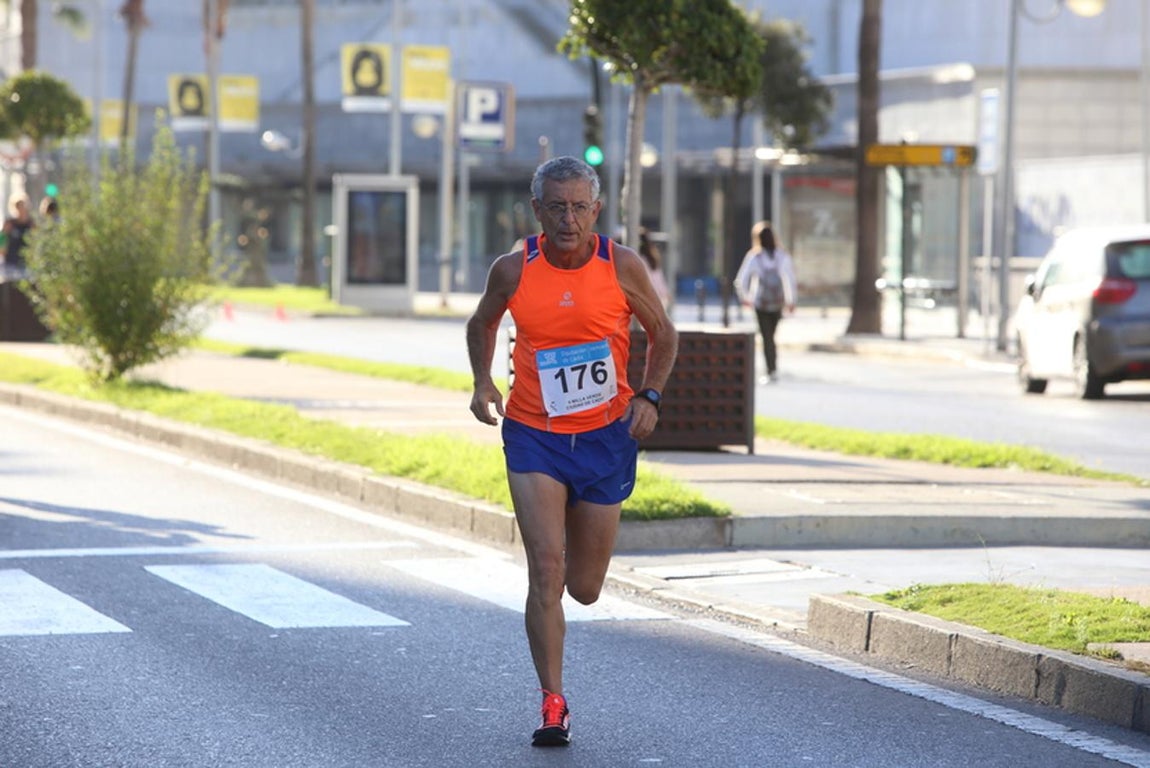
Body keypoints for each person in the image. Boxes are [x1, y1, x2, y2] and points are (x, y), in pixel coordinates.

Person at [466, 155, 678, 748]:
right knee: (547, 572)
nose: (568, 219)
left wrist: (651, 397)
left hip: (606, 437)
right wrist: (484, 381)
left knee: (584, 586)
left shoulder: (621, 265)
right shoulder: (514, 269)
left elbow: (664, 332)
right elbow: (481, 324)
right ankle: (552, 702)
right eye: (555, 207)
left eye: (578, 207)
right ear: (537, 211)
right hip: (535, 435)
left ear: (596, 210)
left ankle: (558, 676)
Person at [734, 220, 797, 383]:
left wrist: (745, 298)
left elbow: (741, 279)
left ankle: (770, 370)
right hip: (777, 302)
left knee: (766, 336)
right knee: (771, 337)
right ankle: (773, 368)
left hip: (760, 303)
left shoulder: (755, 257)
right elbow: (790, 279)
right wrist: (791, 301)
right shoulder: (782, 256)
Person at [1, 193, 35, 279]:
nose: (21, 209)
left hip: (27, 264)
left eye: (23, 206)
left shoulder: (31, 224)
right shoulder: (10, 223)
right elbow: (2, 240)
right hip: (10, 264)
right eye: (18, 206)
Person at [638, 227, 671, 309]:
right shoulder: (652, 257)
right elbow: (659, 278)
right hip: (659, 298)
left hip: (646, 299)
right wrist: (665, 293)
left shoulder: (638, 260)